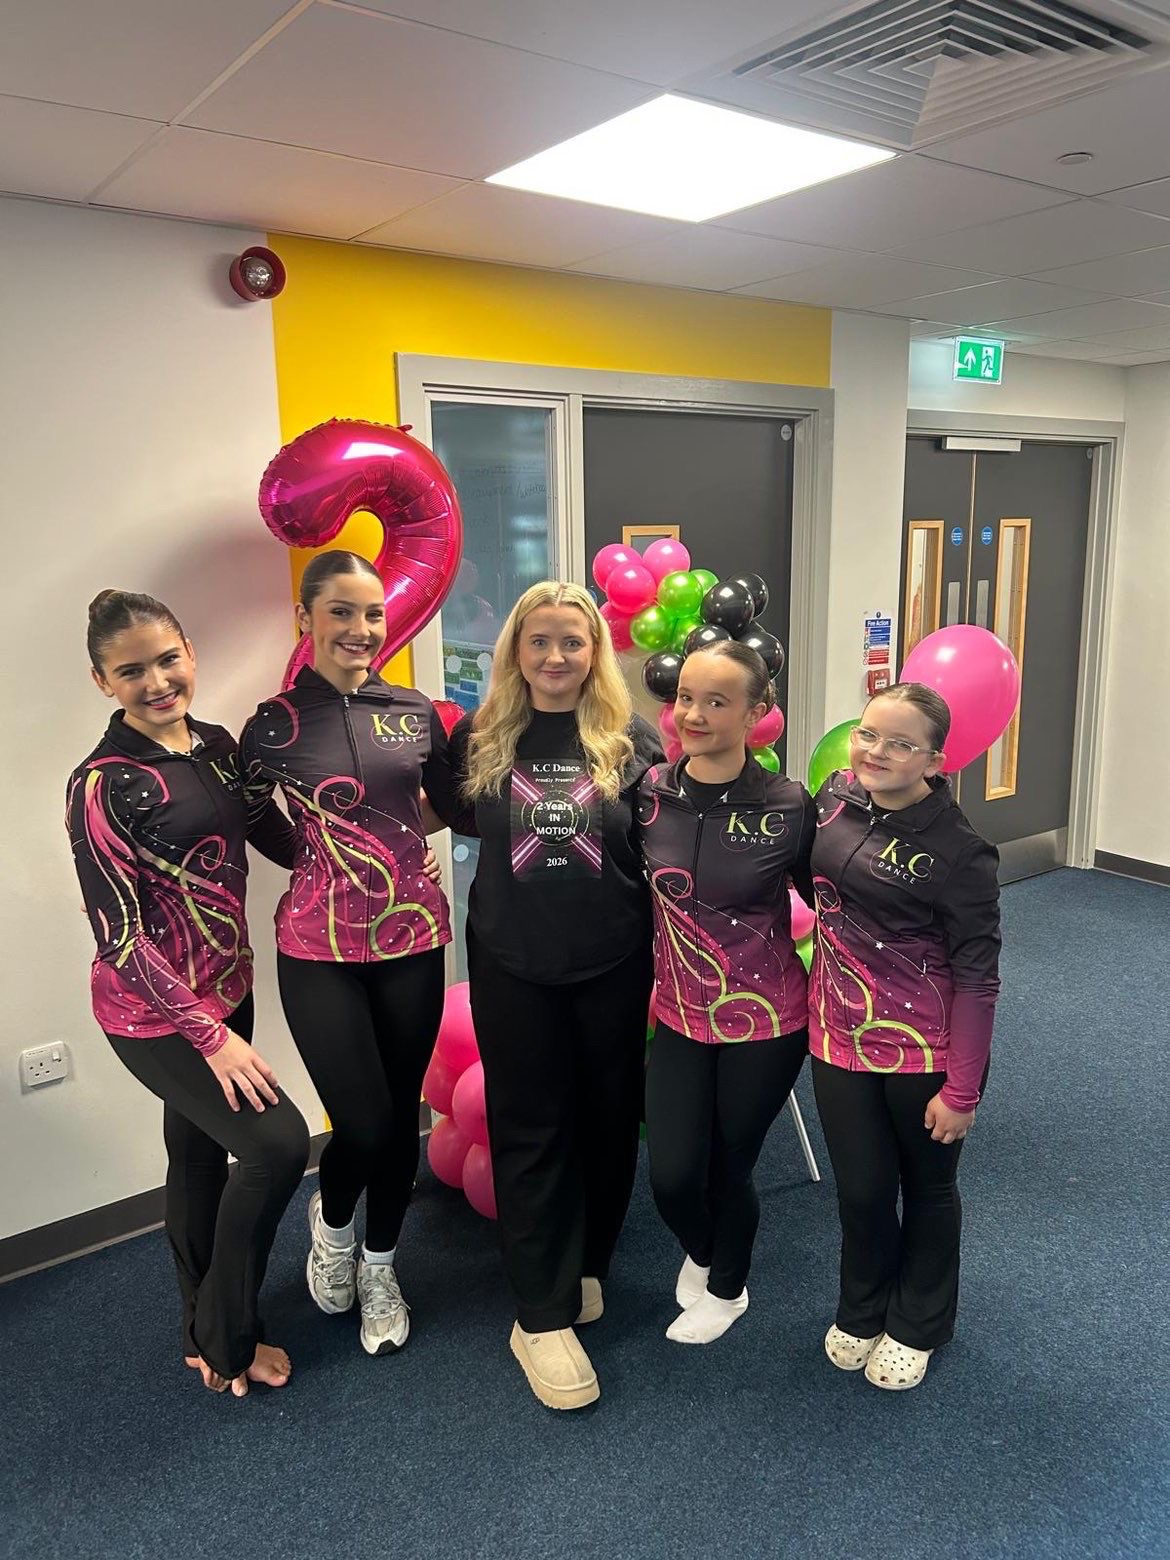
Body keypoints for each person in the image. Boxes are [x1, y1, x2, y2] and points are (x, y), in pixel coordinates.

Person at [67, 590, 310, 1398]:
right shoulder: (102, 785)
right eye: (131, 670)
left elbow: (276, 835)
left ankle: (198, 1328)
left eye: (168, 659)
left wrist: (366, 843)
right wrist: (210, 1036)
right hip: (153, 1016)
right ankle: (227, 1336)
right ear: (103, 682)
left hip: (226, 988)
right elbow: (120, 937)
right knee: (278, 1146)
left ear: (189, 652)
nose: (157, 681)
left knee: (199, 1154)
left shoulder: (217, 747)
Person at [444, 581, 662, 1410]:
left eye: (573, 640)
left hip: (613, 963)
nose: (556, 656)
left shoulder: (631, 741)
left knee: (609, 1123)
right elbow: (455, 819)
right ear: (516, 650)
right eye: (539, 640)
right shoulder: (480, 737)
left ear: (595, 651)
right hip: (515, 965)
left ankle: (587, 1263)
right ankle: (537, 1316)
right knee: (531, 1130)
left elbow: (662, 846)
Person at [239, 549, 459, 1359]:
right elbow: (252, 813)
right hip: (316, 946)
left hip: (412, 937)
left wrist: (403, 845)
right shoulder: (272, 723)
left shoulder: (414, 710)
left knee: (400, 1118)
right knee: (363, 1122)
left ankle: (380, 1265)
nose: (361, 629)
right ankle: (333, 1228)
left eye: (372, 614)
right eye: (341, 611)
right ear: (306, 618)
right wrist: (311, 856)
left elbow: (450, 801)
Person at [808, 682, 1001, 1390]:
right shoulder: (834, 797)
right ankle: (862, 1308)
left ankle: (920, 1320)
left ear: (934, 760)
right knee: (861, 1191)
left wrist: (963, 1089)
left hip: (924, 1050)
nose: (876, 752)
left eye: (900, 743)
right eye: (868, 734)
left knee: (926, 1189)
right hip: (837, 1035)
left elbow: (978, 979)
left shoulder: (961, 851)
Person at [638, 642, 815, 1344]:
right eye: (686, 697)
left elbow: (834, 904)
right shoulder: (648, 793)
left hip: (768, 1021)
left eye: (717, 701)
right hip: (679, 1016)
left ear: (756, 712)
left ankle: (728, 1289)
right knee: (673, 1177)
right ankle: (708, 1250)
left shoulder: (788, 805)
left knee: (728, 1166)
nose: (694, 714)